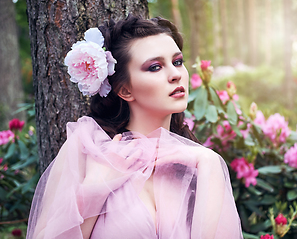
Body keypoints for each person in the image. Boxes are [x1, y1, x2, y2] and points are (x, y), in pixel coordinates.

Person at [26, 15, 243, 239]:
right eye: (155, 67)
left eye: (177, 62)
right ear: (125, 90)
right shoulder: (88, 147)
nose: (176, 74)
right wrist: (95, 189)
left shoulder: (198, 162)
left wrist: (209, 164)